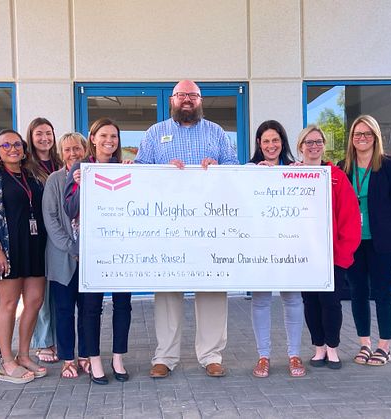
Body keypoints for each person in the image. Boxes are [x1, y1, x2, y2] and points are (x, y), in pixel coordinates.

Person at [135, 80, 240, 378]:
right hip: (168, 226)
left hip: (210, 226)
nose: (187, 100)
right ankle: (165, 357)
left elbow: (234, 169)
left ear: (200, 100)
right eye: (181, 95)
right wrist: (162, 171)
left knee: (211, 288)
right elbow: (140, 171)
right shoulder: (155, 133)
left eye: (192, 95)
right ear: (172, 99)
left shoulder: (216, 133)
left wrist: (217, 167)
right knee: (168, 290)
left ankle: (211, 355)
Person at [0, 129, 48, 384]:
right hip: (7, 248)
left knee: (35, 301)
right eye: (6, 145)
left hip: (35, 246)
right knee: (8, 304)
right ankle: (7, 361)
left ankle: (24, 355)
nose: (13, 149)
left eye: (17, 144)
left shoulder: (33, 175)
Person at [64, 118, 133, 385]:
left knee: (123, 305)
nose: (109, 141)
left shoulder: (125, 167)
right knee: (91, 308)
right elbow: (70, 209)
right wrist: (81, 185)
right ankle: (94, 360)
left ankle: (118, 357)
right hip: (93, 249)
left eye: (114, 136)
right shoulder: (81, 168)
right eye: (103, 135)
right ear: (92, 138)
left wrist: (134, 178)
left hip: (122, 248)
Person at [339, 115, 391, 366]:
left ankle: (384, 346)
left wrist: (383, 223)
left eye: (367, 134)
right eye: (357, 134)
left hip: (382, 241)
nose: (362, 138)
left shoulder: (388, 165)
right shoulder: (344, 166)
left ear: (375, 137)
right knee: (357, 293)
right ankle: (364, 343)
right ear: (352, 139)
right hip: (353, 241)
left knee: (382, 293)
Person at [296, 125, 361, 370]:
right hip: (303, 256)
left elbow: (350, 217)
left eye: (318, 141)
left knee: (331, 302)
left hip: (332, 255)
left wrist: (343, 255)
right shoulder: (290, 175)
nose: (314, 146)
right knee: (310, 302)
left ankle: (332, 347)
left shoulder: (336, 176)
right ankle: (318, 347)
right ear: (300, 147)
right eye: (309, 142)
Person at [247, 120, 305, 378]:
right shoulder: (248, 169)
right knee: (260, 300)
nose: (271, 146)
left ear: (283, 143)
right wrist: (253, 177)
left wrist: (304, 176)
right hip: (259, 244)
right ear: (259, 144)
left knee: (292, 298)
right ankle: (263, 356)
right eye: (266, 141)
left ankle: (294, 354)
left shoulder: (295, 169)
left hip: (289, 244)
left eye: (275, 140)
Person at [41, 132, 88, 379]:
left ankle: (86, 356)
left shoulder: (94, 174)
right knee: (64, 310)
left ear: (85, 149)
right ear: (61, 153)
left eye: (77, 149)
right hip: (62, 257)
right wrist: (71, 247)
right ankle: (68, 358)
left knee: (88, 311)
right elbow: (50, 218)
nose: (73, 154)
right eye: (67, 150)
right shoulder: (54, 180)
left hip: (90, 258)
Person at [26, 117, 62, 363]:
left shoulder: (60, 163)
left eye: (48, 133)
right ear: (31, 137)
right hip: (37, 235)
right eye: (39, 134)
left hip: (59, 235)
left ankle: (58, 340)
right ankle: (43, 342)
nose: (44, 138)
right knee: (39, 293)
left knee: (56, 293)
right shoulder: (26, 166)